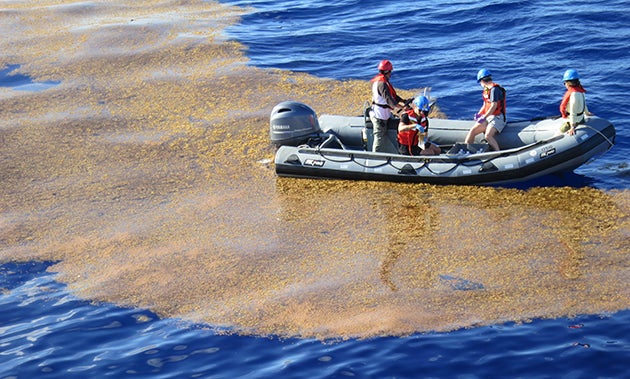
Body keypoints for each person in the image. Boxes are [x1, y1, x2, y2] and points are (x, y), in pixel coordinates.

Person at [369, 59, 408, 153]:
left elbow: (393, 96)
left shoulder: (384, 81)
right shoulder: (381, 84)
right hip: (379, 116)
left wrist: (403, 101)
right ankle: (374, 156)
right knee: (379, 137)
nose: (391, 74)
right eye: (390, 71)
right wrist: (403, 108)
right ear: (387, 71)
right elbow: (390, 101)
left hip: (385, 113)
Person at [464, 68, 506, 151]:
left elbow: (493, 106)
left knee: (488, 136)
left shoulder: (494, 90)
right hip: (488, 117)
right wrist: (479, 114)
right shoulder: (487, 89)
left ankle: (498, 152)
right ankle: (466, 150)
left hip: (497, 118)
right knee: (472, 131)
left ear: (482, 81)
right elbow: (485, 104)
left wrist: (484, 117)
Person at [559, 69, 592, 136]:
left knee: (560, 131)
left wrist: (572, 127)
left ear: (568, 83)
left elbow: (573, 112)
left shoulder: (573, 95)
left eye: (564, 83)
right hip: (581, 118)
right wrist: (587, 113)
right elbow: (584, 104)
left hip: (574, 120)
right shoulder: (580, 91)